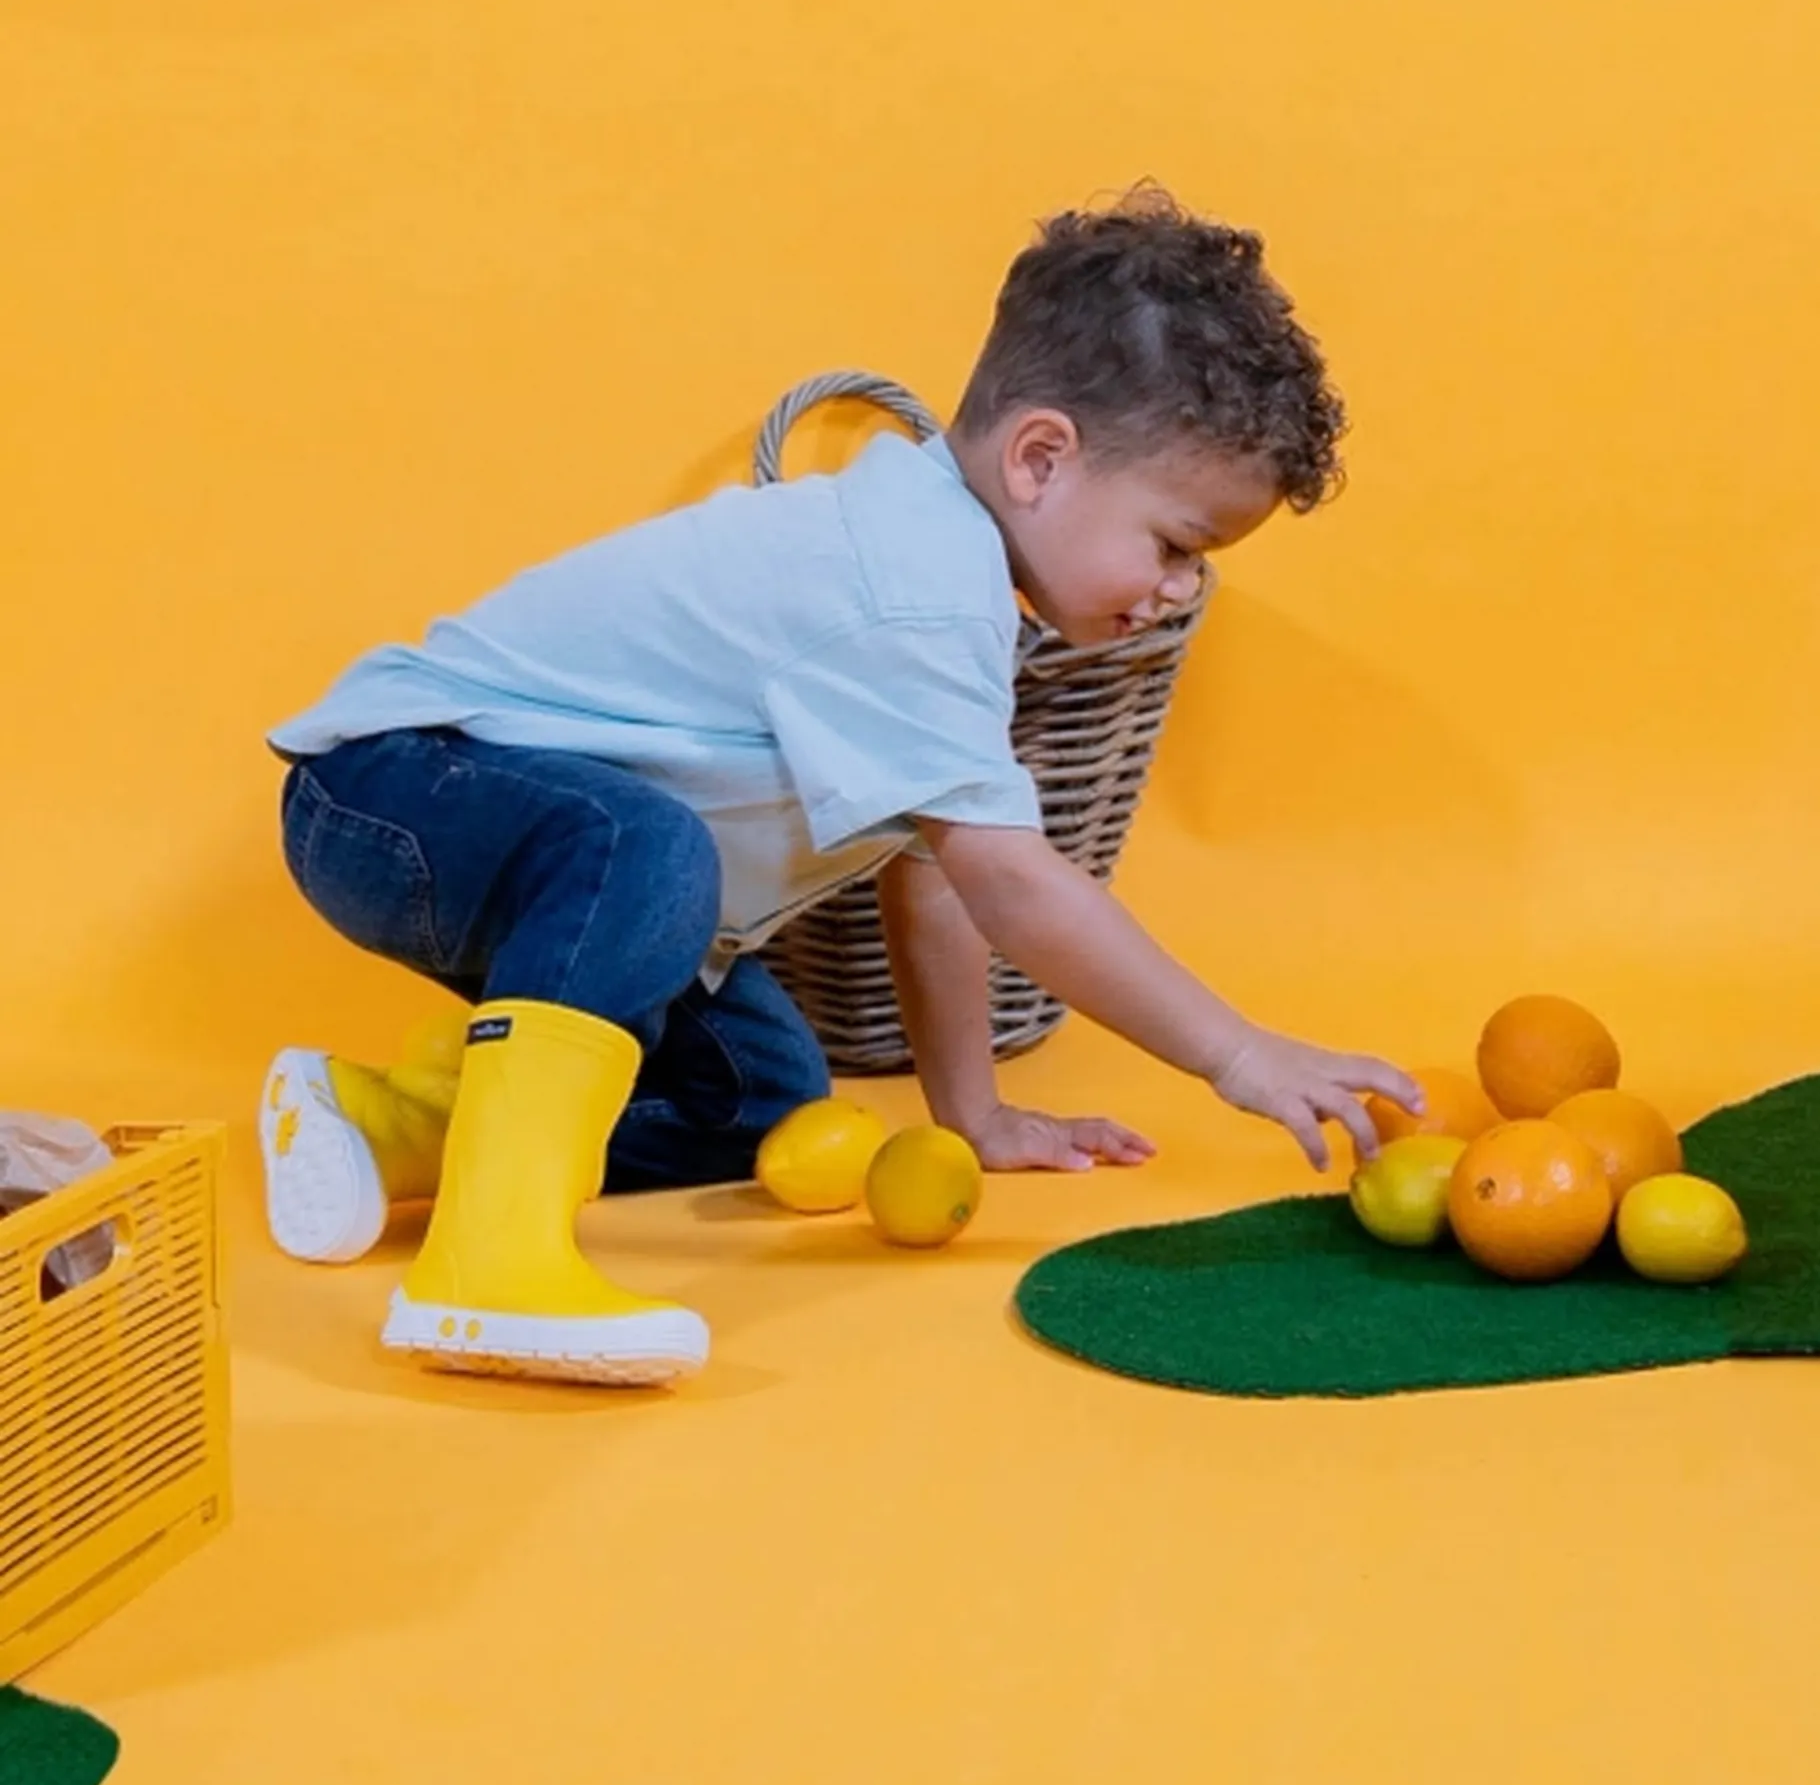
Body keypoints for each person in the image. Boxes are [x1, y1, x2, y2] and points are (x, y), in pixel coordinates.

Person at [259, 185, 1422, 1387]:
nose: (1179, 590)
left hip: (516, 842)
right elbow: (1013, 885)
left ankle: (380, 1122)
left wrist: (969, 1114)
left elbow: (934, 877)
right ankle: (483, 1267)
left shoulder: (952, 596)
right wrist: (1237, 1055)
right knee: (649, 847)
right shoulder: (910, 587)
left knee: (761, 1093)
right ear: (1041, 459)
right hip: (393, 795)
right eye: (1178, 543)